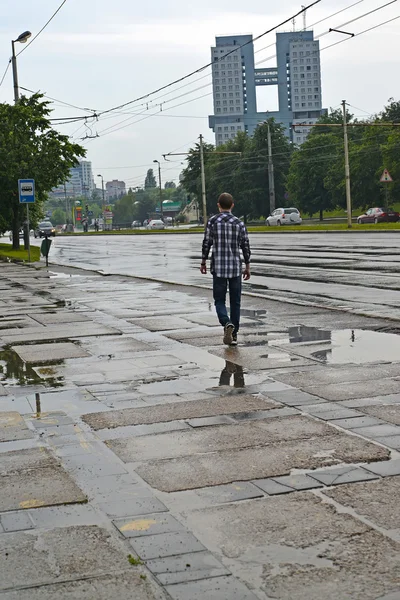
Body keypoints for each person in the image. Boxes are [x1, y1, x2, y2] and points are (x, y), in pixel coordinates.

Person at [200, 192, 251, 346]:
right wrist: (247, 266)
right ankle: (234, 334)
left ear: (218, 205)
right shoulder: (239, 223)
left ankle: (226, 323)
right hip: (235, 268)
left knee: (219, 300)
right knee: (236, 302)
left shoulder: (213, 222)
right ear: (232, 205)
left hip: (219, 268)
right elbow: (245, 246)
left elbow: (207, 242)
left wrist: (203, 261)